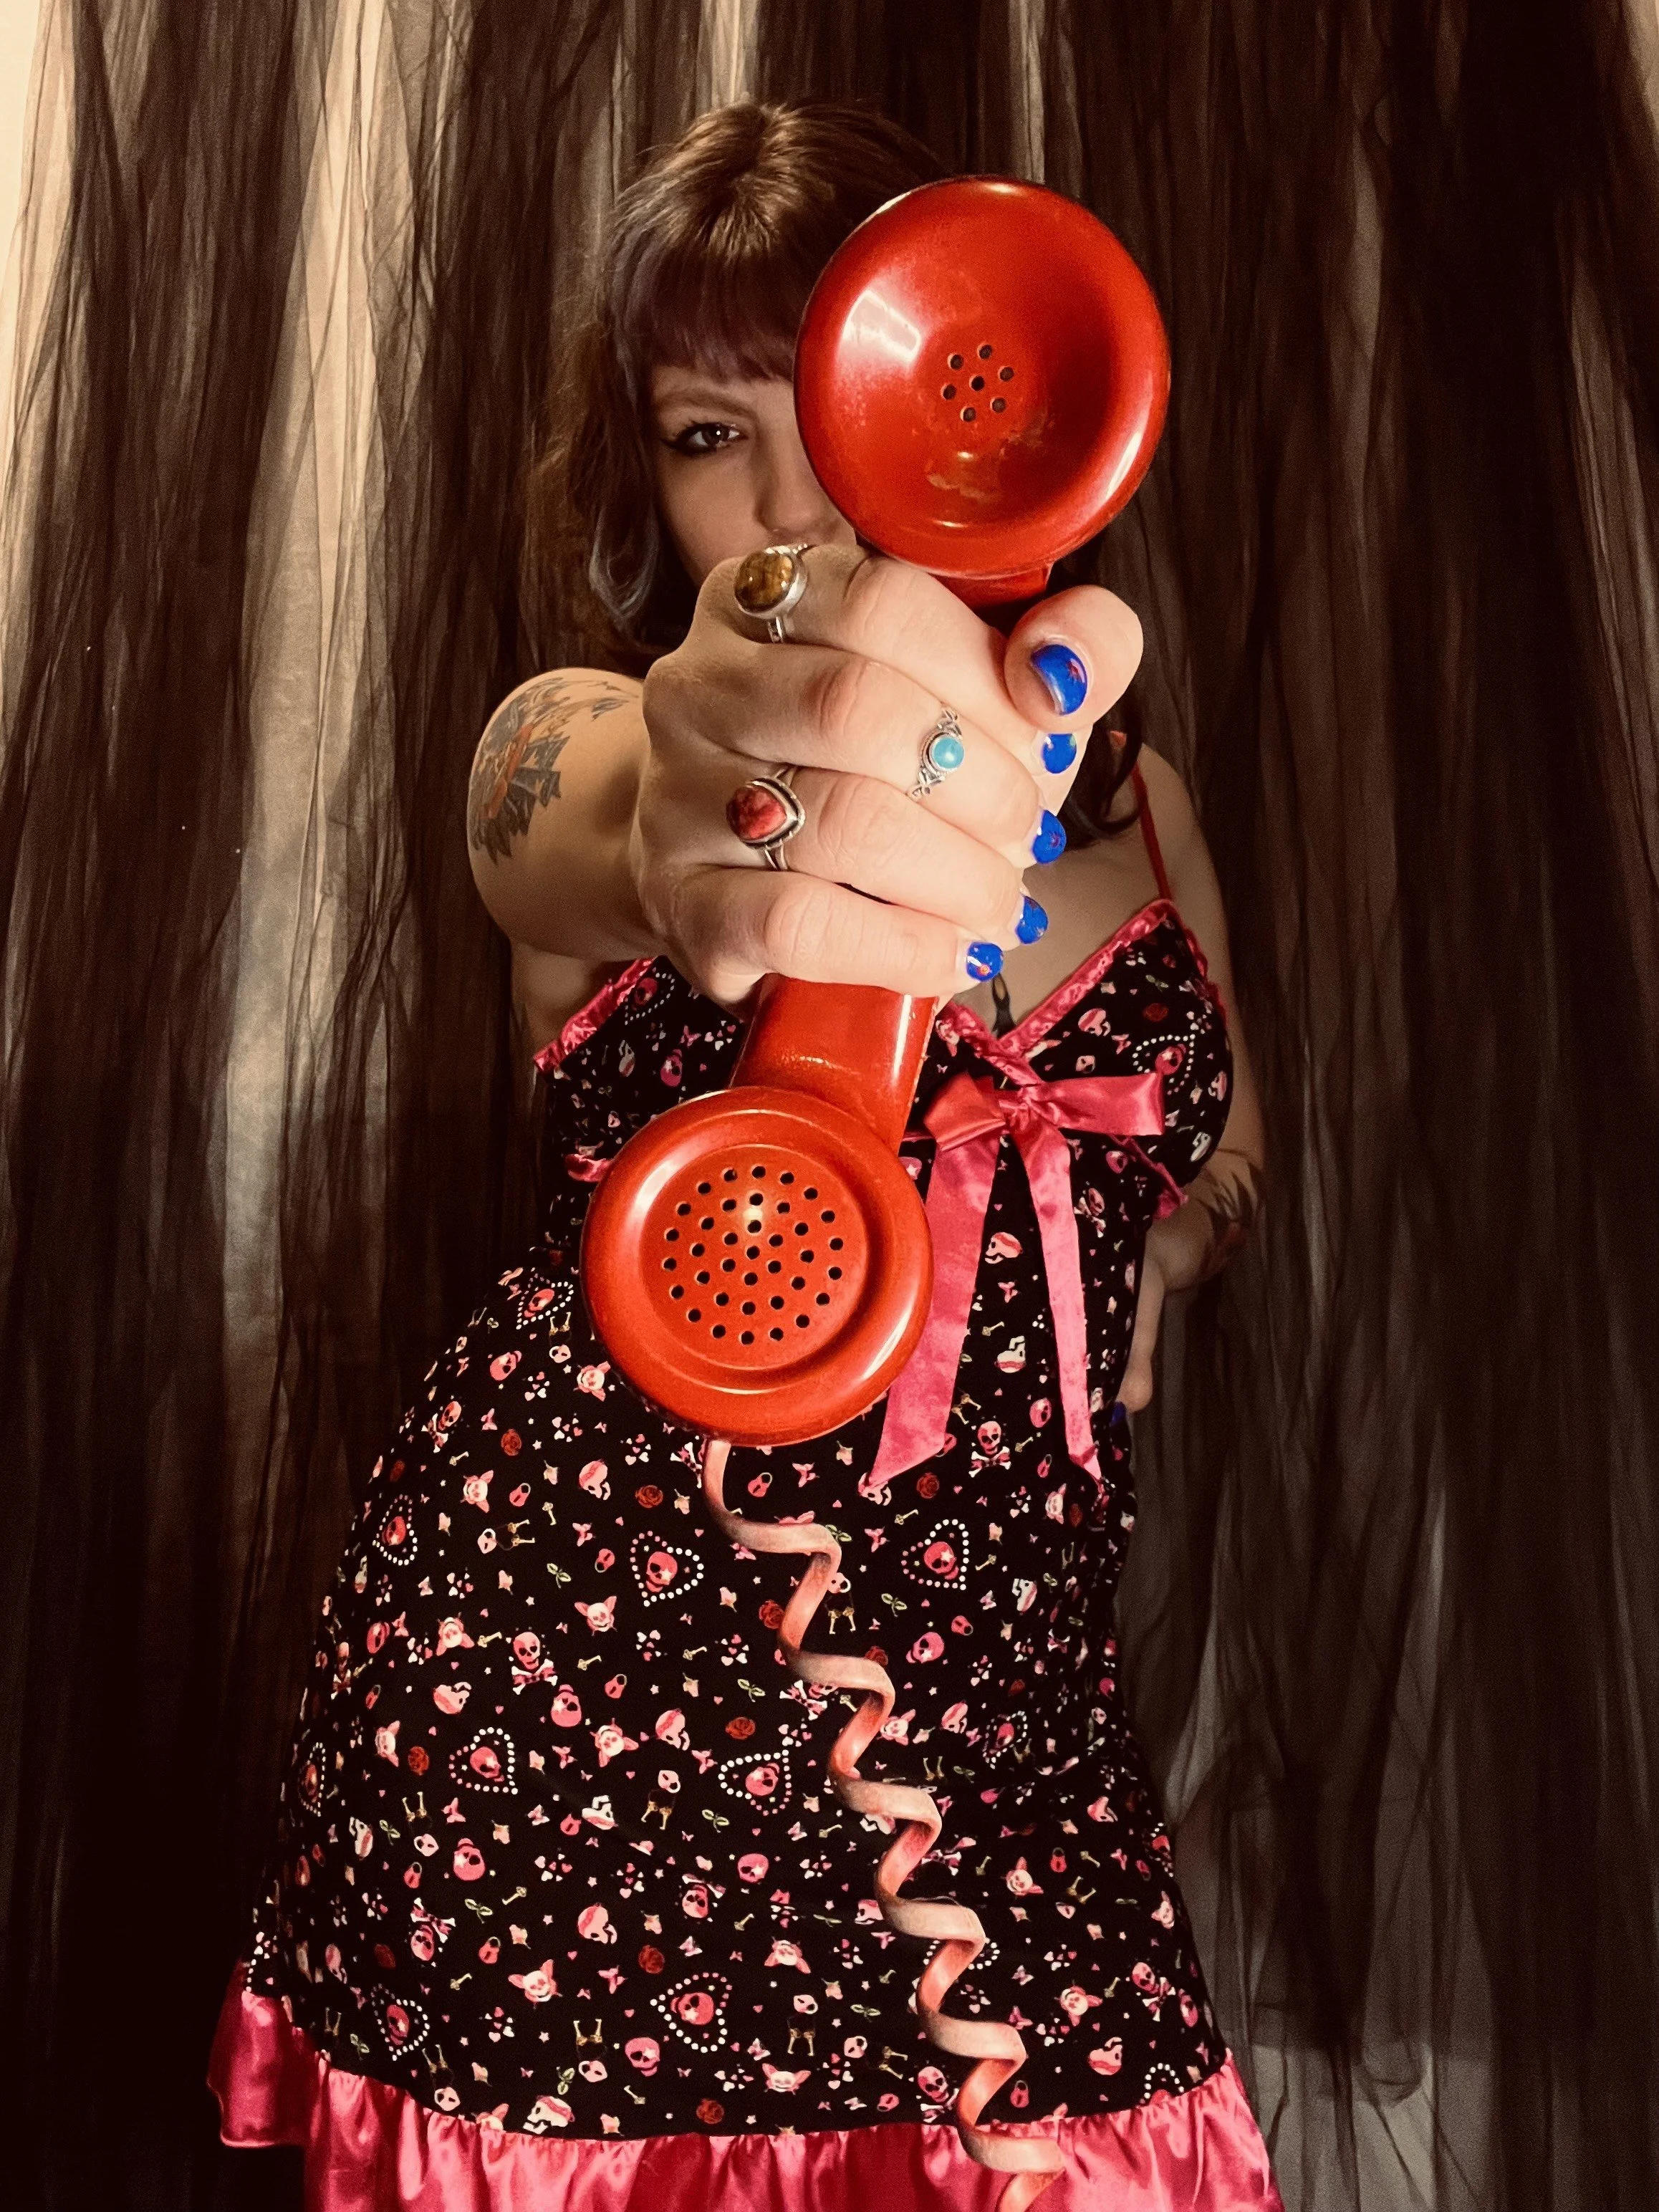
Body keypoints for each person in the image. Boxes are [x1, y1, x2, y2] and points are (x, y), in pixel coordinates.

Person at [209, 100, 1276, 2209]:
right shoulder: (576, 735)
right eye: (709, 435)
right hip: (581, 1706)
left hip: (992, 1713)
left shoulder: (1142, 807)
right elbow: (589, 819)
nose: (787, 502)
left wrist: (1136, 1256)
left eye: (826, 408)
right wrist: (707, 831)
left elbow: (1222, 1161)